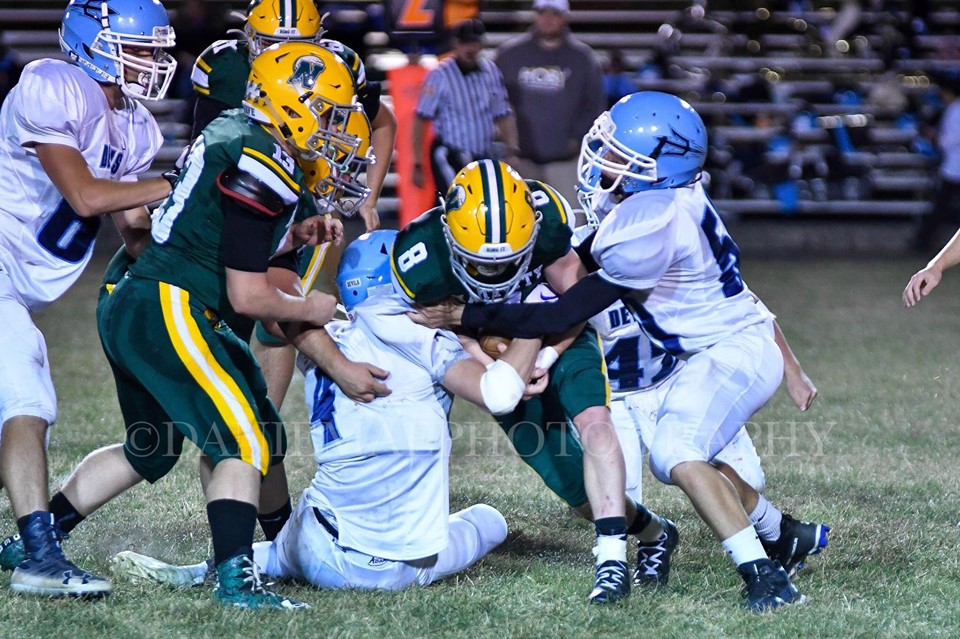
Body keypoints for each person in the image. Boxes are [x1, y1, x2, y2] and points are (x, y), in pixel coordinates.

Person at [1, 41, 373, 610]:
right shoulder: (264, 161)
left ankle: (37, 537)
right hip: (170, 305)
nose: (333, 134)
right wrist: (313, 310)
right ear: (293, 105)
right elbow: (248, 295)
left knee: (153, 446)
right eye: (327, 115)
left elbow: (221, 234)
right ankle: (238, 582)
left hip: (145, 300)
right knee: (242, 438)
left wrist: (293, 236)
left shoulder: (238, 134)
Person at [409, 92, 808, 611]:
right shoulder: (658, 201)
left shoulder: (652, 226)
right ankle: (778, 542)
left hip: (729, 352)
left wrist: (463, 315)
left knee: (679, 454)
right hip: (708, 353)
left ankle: (767, 573)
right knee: (673, 458)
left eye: (622, 154)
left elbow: (558, 315)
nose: (605, 158)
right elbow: (577, 262)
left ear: (658, 170)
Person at [111, 230, 541, 590]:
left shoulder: (323, 337)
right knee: (489, 520)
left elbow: (281, 321)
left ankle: (205, 570)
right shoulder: (421, 337)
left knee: (283, 551)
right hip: (383, 566)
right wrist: (536, 323)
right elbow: (499, 392)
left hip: (311, 537)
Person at [392, 159, 675, 604]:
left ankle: (611, 561)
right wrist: (496, 373)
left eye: (509, 261)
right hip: (498, 359)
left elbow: (576, 303)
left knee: (596, 424)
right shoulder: (422, 258)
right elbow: (451, 334)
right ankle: (656, 532)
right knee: (574, 490)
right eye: (480, 264)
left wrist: (548, 354)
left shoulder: (547, 223)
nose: (494, 274)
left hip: (560, 339)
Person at [0, 0, 179, 598]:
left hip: (20, 284)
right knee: (29, 398)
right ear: (95, 45)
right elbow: (83, 195)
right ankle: (39, 557)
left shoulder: (136, 124)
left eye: (157, 49)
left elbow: (134, 230)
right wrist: (177, 180)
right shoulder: (53, 84)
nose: (154, 61)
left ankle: (31, 543)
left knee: (18, 419)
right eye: (142, 48)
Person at [494, 0, 605, 207]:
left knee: (570, 219)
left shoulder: (583, 58)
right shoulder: (509, 54)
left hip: (565, 163)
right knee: (518, 219)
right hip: (519, 161)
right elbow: (495, 99)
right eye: (542, 12)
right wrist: (507, 144)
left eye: (554, 13)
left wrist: (576, 138)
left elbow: (594, 104)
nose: (547, 19)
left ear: (565, 17)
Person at [411, 18, 520, 197]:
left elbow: (503, 114)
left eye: (474, 43)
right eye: (465, 43)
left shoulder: (490, 71)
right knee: (455, 199)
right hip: (450, 152)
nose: (470, 48)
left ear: (482, 44)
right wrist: (417, 162)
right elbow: (421, 118)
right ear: (455, 43)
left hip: (482, 153)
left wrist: (511, 150)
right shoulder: (440, 74)